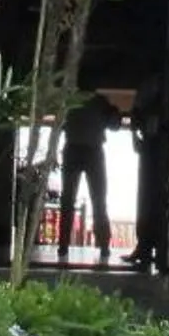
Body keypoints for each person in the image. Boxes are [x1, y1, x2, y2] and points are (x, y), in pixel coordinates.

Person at [58, 90, 121, 264]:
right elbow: (115, 125)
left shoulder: (76, 100)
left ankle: (99, 246)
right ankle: (102, 247)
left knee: (76, 200)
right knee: (94, 200)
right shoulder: (97, 101)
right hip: (86, 150)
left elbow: (114, 124)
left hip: (82, 149)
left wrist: (113, 112)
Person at [129, 73, 169, 274]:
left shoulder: (168, 85)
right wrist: (136, 137)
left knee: (156, 198)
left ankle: (154, 250)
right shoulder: (150, 86)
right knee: (147, 197)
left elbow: (136, 114)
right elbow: (135, 114)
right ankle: (145, 248)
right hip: (152, 145)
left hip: (161, 147)